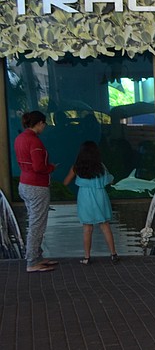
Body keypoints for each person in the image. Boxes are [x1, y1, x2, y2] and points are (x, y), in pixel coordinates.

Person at [14, 111, 59, 272]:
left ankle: (37, 256)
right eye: (44, 124)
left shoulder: (19, 138)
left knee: (34, 222)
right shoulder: (34, 141)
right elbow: (39, 167)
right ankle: (32, 262)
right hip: (36, 186)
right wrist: (51, 168)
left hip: (24, 183)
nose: (44, 127)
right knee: (37, 225)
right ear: (39, 123)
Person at [63, 141, 119, 264]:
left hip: (85, 197)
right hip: (100, 195)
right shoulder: (100, 166)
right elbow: (110, 181)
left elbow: (66, 182)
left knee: (87, 228)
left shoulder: (76, 167)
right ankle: (113, 254)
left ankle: (87, 257)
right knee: (105, 226)